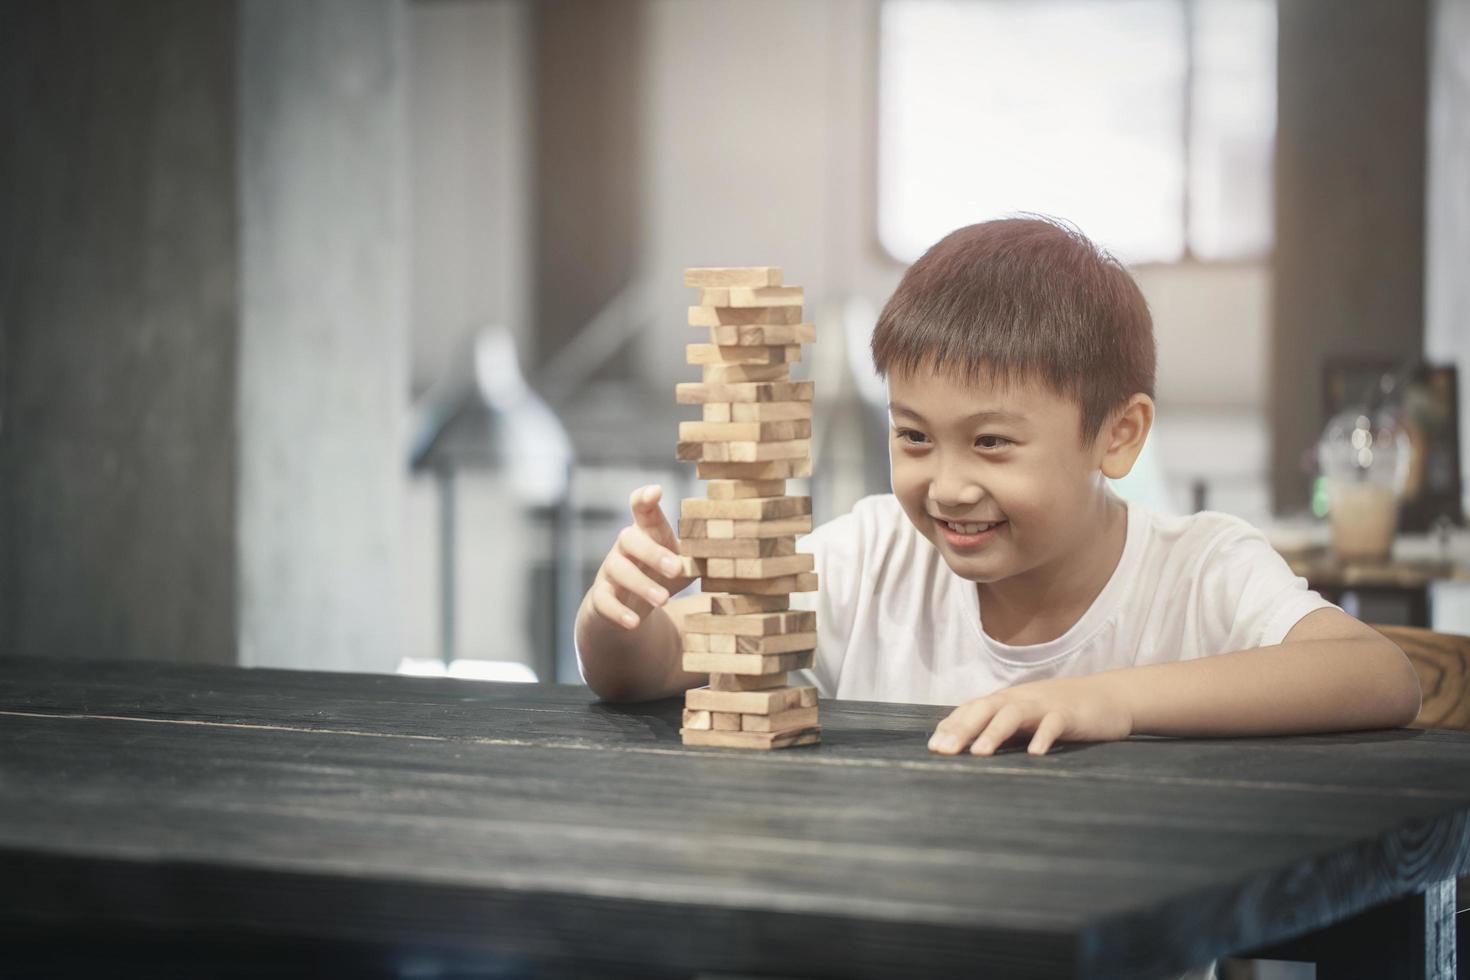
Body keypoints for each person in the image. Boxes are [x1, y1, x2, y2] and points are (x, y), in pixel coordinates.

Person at [574, 215, 1422, 758]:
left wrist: (1106, 700)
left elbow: (1378, 677)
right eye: (912, 436)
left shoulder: (1195, 571)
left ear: (1117, 436)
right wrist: (618, 616)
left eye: (991, 444)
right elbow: (648, 667)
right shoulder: (873, 553)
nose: (946, 486)